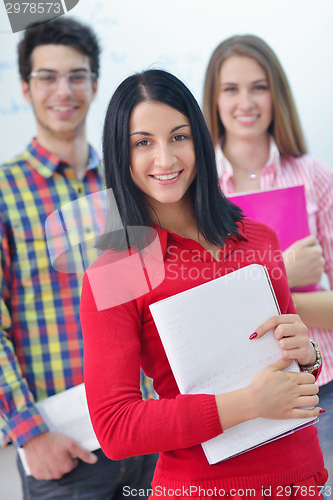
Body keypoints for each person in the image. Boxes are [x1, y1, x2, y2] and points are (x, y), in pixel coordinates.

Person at [80, 68, 328, 499]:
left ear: (199, 138)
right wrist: (249, 404)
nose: (165, 159)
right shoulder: (116, 271)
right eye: (143, 143)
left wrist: (307, 353)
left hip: (302, 478)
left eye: (179, 136)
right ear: (121, 154)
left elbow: (297, 374)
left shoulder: (259, 238)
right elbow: (116, 427)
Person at [0, 17, 157, 499]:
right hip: (65, 452)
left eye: (77, 75)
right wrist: (29, 433)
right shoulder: (4, 192)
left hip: (151, 436)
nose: (63, 90)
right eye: (47, 76)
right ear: (26, 88)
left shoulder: (131, 180)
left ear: (95, 84)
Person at [202, 34, 333, 490]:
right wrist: (284, 274)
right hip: (235, 399)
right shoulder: (197, 192)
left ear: (276, 92)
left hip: (321, 386)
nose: (246, 102)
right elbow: (202, 313)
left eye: (258, 87)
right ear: (212, 100)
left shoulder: (314, 174)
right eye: (231, 89)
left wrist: (278, 288)